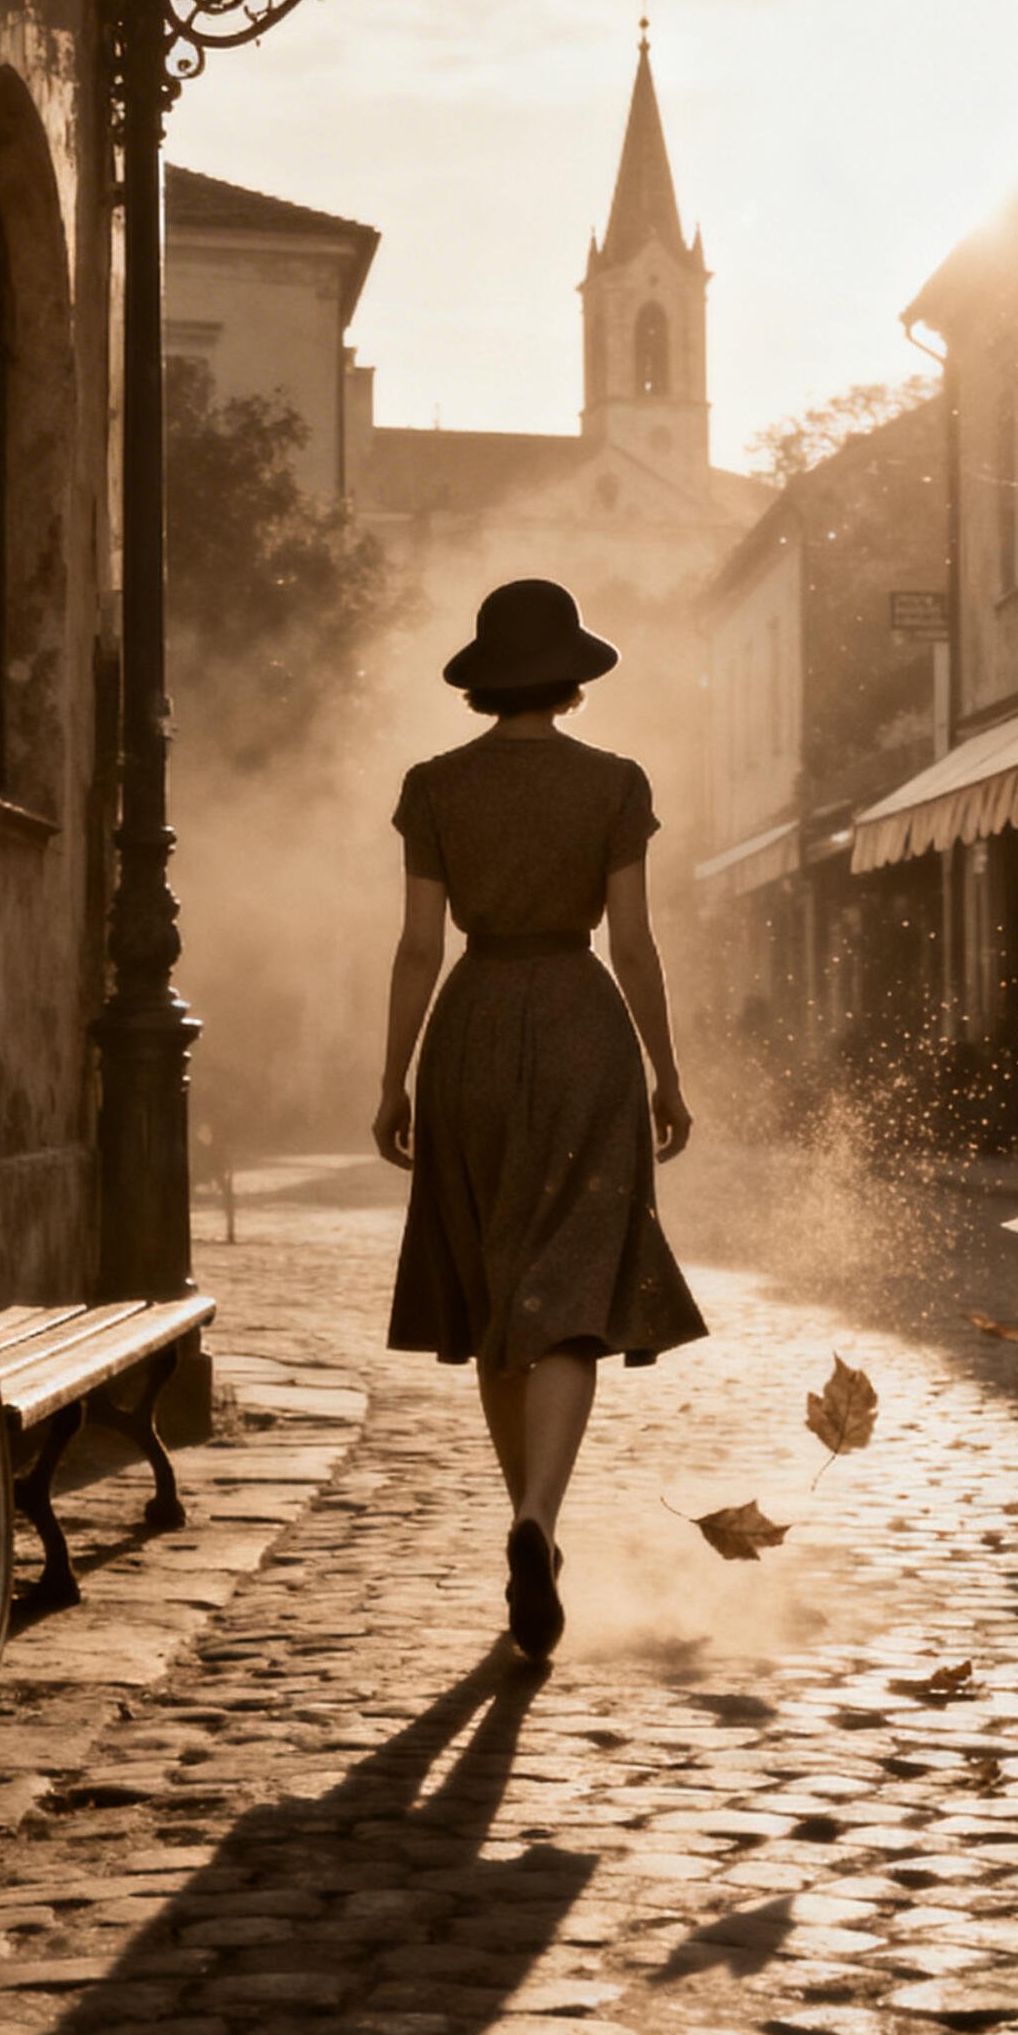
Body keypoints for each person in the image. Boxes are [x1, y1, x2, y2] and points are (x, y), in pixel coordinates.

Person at [373, 576, 706, 1660]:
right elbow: (636, 944)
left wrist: (394, 1079)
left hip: (469, 1030)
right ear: (569, 677)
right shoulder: (614, 782)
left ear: (484, 677)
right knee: (566, 1291)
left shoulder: (434, 785)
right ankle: (539, 1521)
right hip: (582, 1031)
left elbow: (420, 945)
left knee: (490, 1285)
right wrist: (665, 1070)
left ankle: (528, 1521)